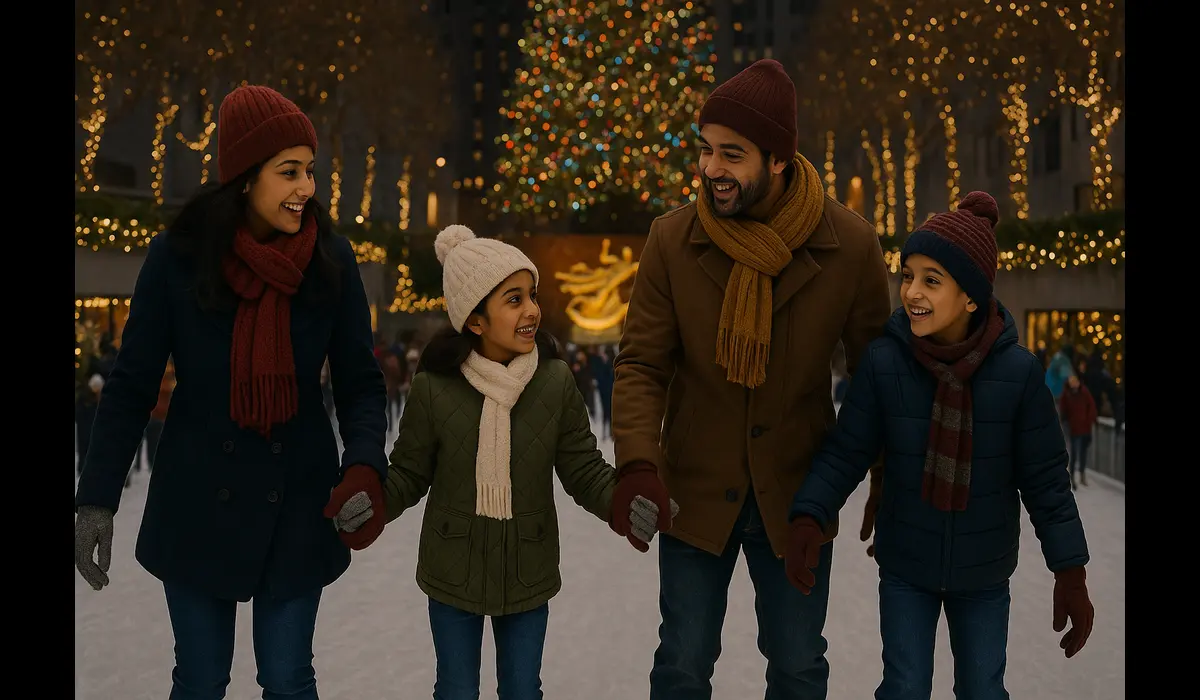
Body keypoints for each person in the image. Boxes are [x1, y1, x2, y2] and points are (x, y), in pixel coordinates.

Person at [73, 85, 390, 700]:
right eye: (289, 171)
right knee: (199, 681)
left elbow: (361, 384)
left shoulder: (332, 260)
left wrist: (363, 467)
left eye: (310, 171)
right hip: (197, 502)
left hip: (296, 501)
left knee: (287, 678)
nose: (306, 187)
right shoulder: (177, 257)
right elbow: (131, 385)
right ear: (246, 177)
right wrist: (96, 500)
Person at [612, 58, 893, 699]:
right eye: (706, 150)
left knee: (797, 667)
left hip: (797, 498)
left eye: (731, 154)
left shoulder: (850, 246)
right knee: (681, 664)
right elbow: (641, 366)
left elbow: (880, 381)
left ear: (777, 160)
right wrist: (636, 463)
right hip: (693, 493)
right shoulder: (670, 240)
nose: (711, 169)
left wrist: (884, 478)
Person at [786, 192, 1095, 699]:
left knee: (982, 690)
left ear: (971, 296)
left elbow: (1047, 484)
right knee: (904, 688)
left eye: (932, 280)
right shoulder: (887, 364)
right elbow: (846, 452)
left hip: (985, 575)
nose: (912, 292)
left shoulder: (1018, 376)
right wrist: (808, 515)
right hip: (906, 566)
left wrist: (1071, 571)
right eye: (907, 276)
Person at [378, 224, 676, 700]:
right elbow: (410, 472)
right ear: (475, 320)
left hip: (527, 566)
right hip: (453, 564)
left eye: (532, 295)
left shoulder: (554, 382)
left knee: (522, 690)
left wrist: (621, 499)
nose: (533, 310)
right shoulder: (435, 388)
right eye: (513, 299)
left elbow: (582, 468)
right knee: (455, 691)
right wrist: (372, 502)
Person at [1060, 374, 1098, 489]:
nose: (1074, 384)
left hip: (1085, 428)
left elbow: (1091, 406)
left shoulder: (1084, 392)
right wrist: (1066, 423)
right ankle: (1072, 477)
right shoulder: (1066, 394)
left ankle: (1082, 475)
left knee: (1083, 453)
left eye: (1075, 381)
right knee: (1074, 453)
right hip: (1074, 429)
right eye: (1072, 381)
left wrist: (1090, 420)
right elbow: (1063, 411)